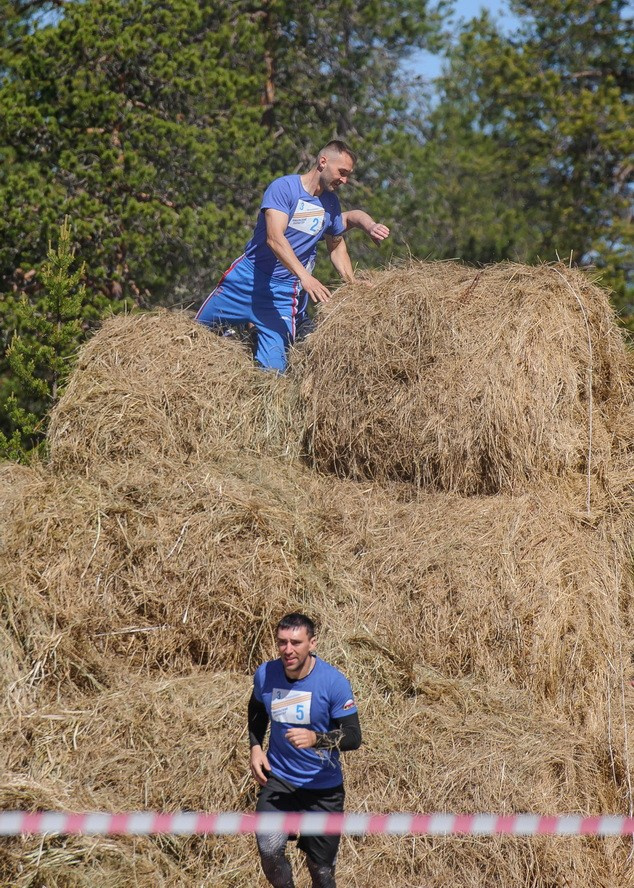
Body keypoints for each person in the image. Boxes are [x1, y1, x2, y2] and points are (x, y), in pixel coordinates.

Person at [196, 140, 390, 371]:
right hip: (247, 278)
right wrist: (305, 277)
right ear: (323, 162)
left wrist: (351, 281)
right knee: (194, 335)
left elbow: (336, 244)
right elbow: (274, 238)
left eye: (348, 175)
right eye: (342, 172)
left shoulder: (330, 204)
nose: (345, 180)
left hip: (281, 294)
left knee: (274, 373)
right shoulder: (284, 188)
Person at [248, 612, 362, 888]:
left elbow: (354, 736)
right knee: (270, 853)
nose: (288, 650)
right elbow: (256, 709)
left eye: (296, 642)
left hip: (323, 788)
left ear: (312, 643)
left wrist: (316, 739)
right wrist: (255, 746)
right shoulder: (266, 674)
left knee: (321, 873)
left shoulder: (333, 682)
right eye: (282, 642)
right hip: (280, 781)